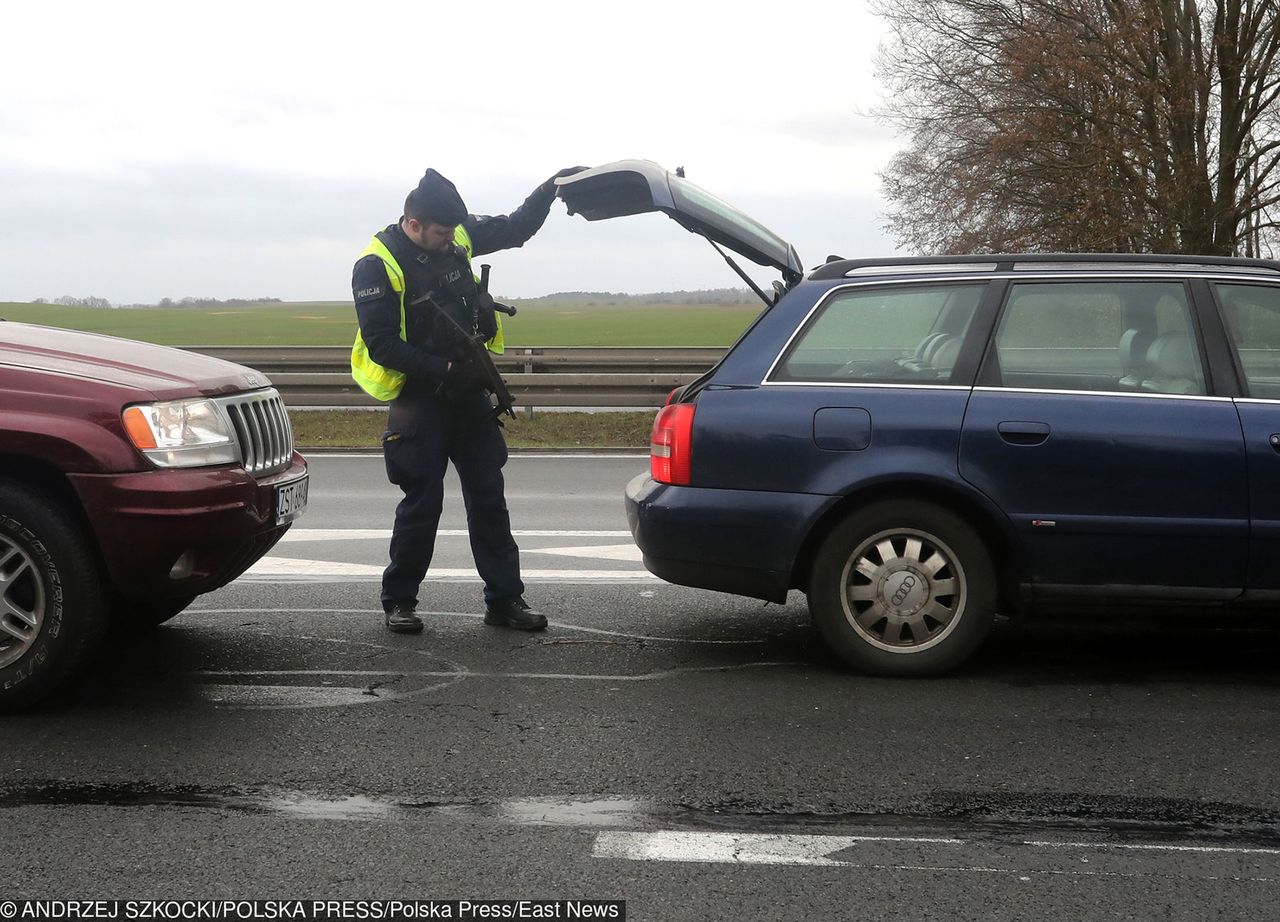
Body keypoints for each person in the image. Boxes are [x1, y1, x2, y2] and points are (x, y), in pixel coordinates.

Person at [350, 165, 587, 634]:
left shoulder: (457, 234)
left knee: (489, 496)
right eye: (439, 233)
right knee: (423, 501)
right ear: (413, 224)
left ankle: (504, 600)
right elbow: (382, 345)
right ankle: (399, 600)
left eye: (451, 232)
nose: (448, 240)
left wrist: (549, 189)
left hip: (469, 391)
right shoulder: (377, 264)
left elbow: (516, 228)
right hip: (421, 394)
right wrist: (444, 371)